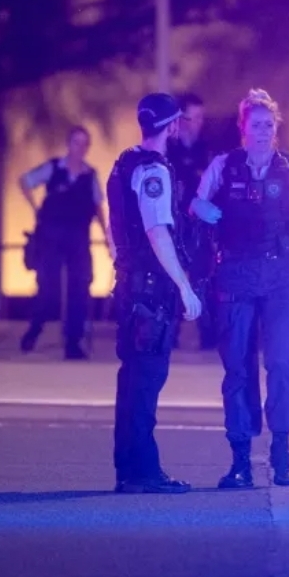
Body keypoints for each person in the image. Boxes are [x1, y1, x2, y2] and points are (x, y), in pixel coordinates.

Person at [191, 88, 289, 488]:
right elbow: (195, 205)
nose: (263, 131)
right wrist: (201, 207)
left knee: (283, 363)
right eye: (256, 125)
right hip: (235, 273)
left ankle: (282, 451)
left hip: (282, 275)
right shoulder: (223, 166)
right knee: (238, 367)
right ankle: (240, 460)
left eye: (269, 125)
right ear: (243, 127)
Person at [107, 92, 202, 494]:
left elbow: (116, 227)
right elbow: (157, 232)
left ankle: (129, 469)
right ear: (172, 125)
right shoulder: (154, 171)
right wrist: (184, 285)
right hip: (150, 291)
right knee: (146, 380)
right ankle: (143, 472)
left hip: (130, 284)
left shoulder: (123, 163)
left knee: (131, 380)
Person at [18, 126, 112, 360]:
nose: (80, 148)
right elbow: (25, 181)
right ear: (69, 144)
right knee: (48, 287)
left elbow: (98, 207)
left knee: (79, 287)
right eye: (76, 142)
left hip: (78, 237)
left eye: (84, 144)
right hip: (51, 236)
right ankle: (34, 329)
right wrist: (35, 209)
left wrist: (107, 236)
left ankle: (73, 341)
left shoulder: (90, 175)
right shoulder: (53, 168)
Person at [166, 93, 215, 350]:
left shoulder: (206, 151)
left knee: (202, 276)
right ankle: (168, 333)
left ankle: (207, 335)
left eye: (200, 118)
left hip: (200, 226)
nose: (197, 123)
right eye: (192, 117)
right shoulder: (167, 149)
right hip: (173, 224)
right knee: (171, 276)